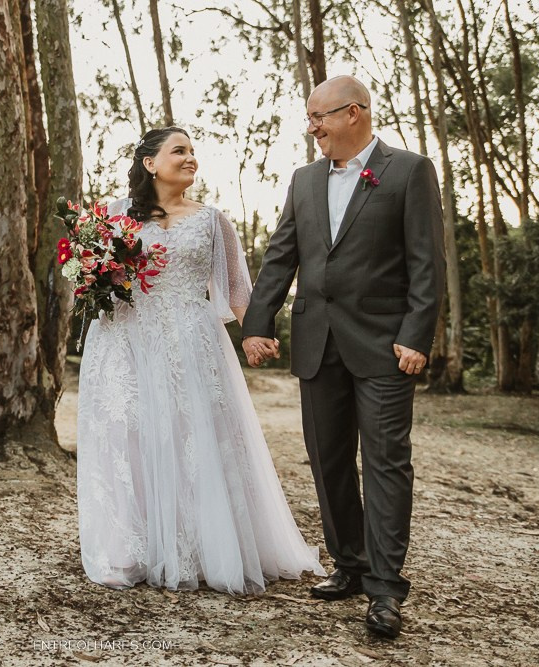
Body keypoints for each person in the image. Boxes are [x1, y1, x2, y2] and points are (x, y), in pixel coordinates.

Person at [76, 126, 325, 595]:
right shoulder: (109, 217)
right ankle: (128, 549)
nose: (191, 158)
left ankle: (200, 546)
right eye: (180, 151)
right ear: (150, 163)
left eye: (193, 151)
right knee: (126, 437)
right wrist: (94, 278)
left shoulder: (213, 221)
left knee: (192, 437)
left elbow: (235, 291)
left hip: (192, 342)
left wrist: (255, 334)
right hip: (124, 342)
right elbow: (85, 277)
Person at [241, 75, 446, 638]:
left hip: (385, 345)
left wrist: (416, 335)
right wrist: (258, 324)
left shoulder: (408, 171)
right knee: (328, 459)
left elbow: (427, 262)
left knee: (385, 464)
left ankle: (385, 588)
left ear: (354, 113)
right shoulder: (304, 180)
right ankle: (349, 565)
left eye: (320, 117)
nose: (312, 128)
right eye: (311, 118)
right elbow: (282, 256)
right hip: (316, 341)